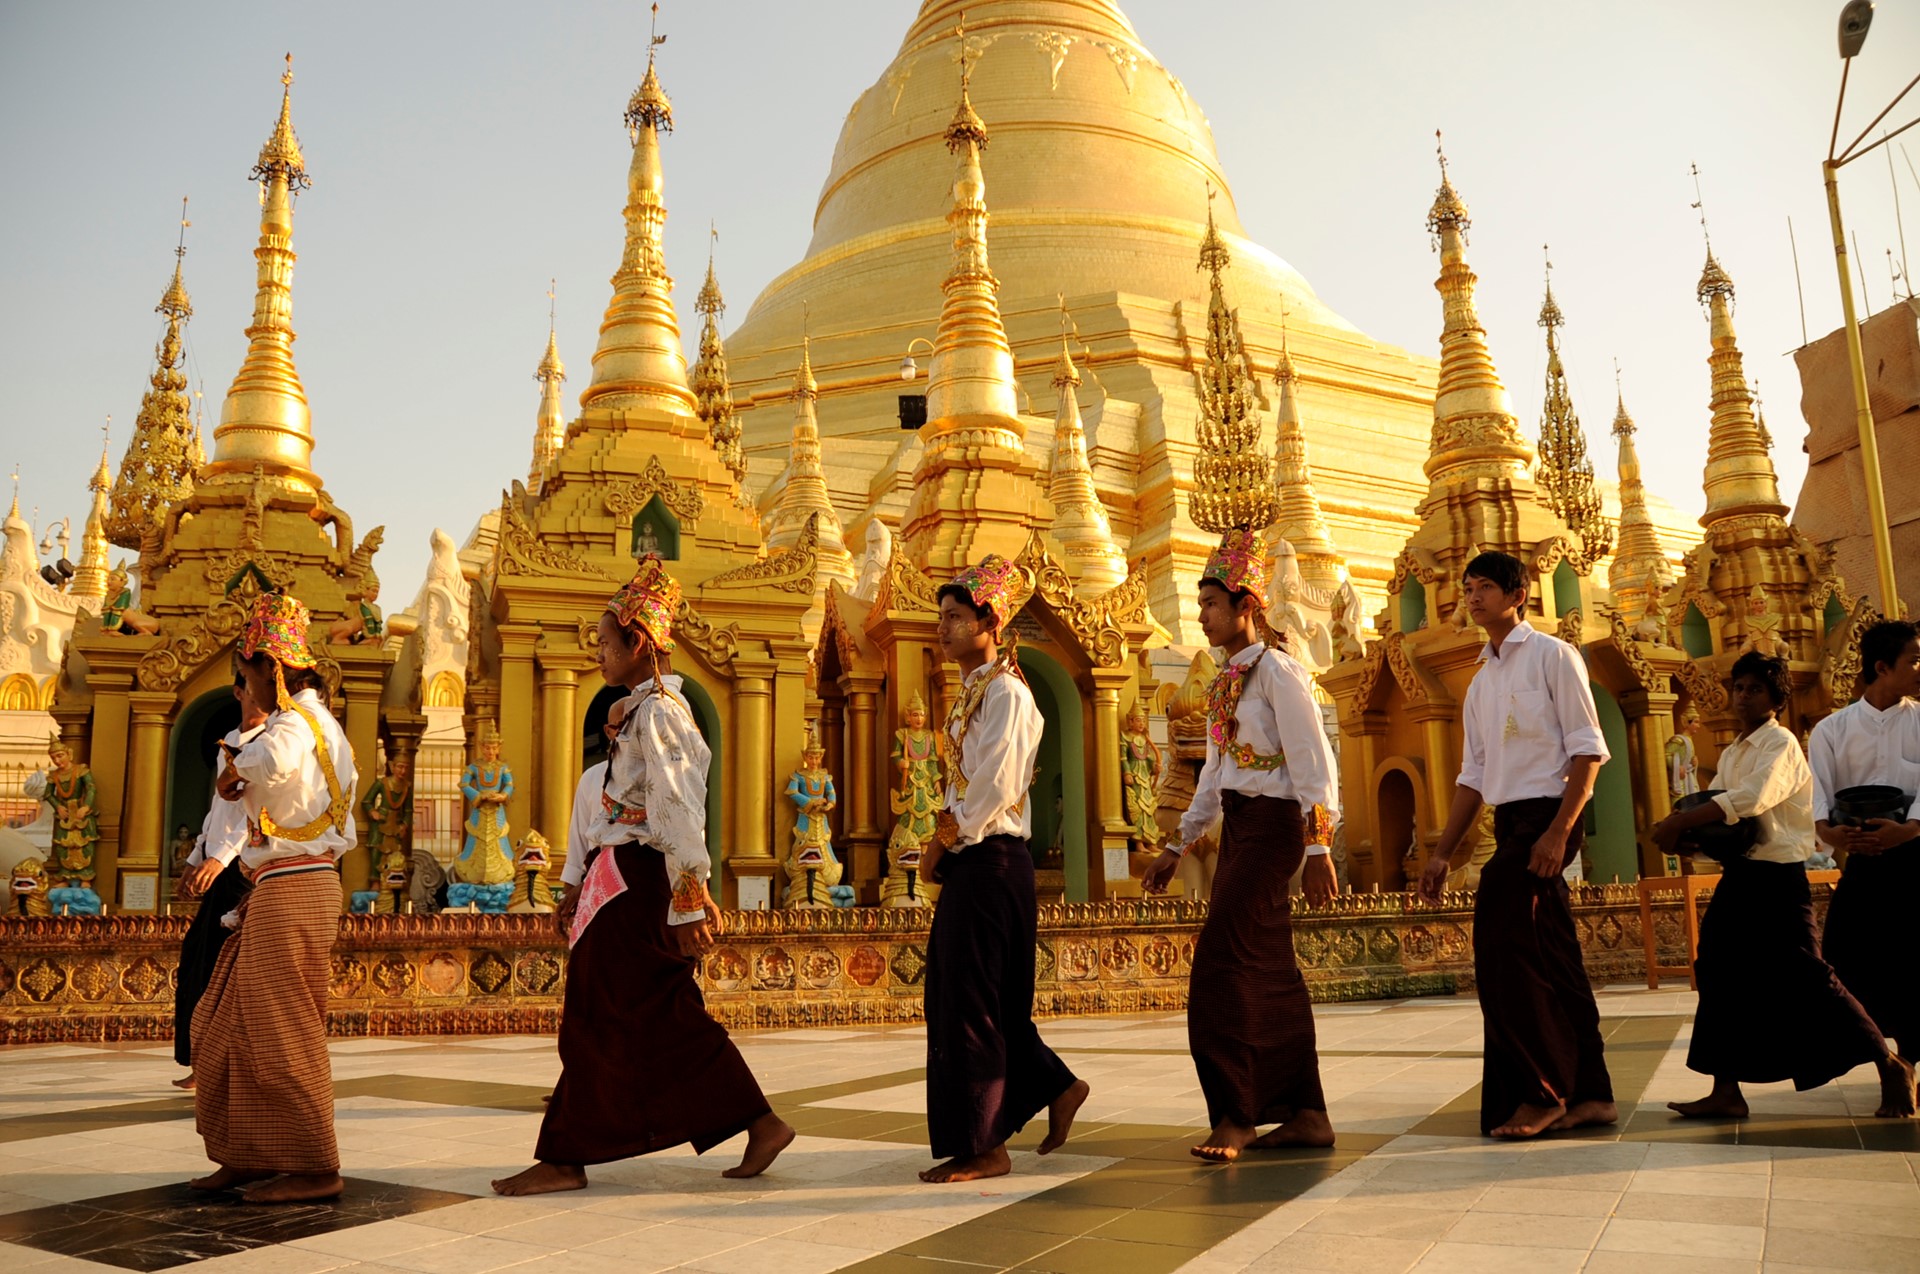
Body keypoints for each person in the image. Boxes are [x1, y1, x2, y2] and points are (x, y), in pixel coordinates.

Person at [494, 556, 793, 1196]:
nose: (597, 653)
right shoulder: (638, 711)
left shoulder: (660, 713)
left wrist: (689, 902)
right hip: (621, 880)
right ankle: (758, 1120)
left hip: (643, 883)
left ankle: (567, 1156)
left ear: (638, 644)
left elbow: (680, 812)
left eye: (606, 643)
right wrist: (574, 888)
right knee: (651, 1014)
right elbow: (612, 813)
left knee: (604, 1016)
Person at [1143, 528, 1340, 1160]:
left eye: (1210, 604)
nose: (1200, 615)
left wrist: (1318, 849)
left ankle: (1237, 1113)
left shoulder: (1280, 672)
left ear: (1246, 606)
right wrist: (1178, 845)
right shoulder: (1228, 680)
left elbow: (1315, 763)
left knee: (1223, 966)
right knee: (1269, 969)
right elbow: (1214, 772)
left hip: (1278, 827)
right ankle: (1306, 1112)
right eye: (1200, 605)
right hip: (1240, 825)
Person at [1652, 651, 1915, 1119]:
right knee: (1717, 968)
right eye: (1738, 688)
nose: (1742, 696)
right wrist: (1688, 837)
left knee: (1809, 974)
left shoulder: (1782, 745)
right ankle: (1726, 1088)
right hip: (1741, 875)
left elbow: (1751, 800)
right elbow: (1728, 823)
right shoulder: (1732, 753)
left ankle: (1888, 1062)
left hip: (1778, 879)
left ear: (1775, 698)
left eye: (1754, 689)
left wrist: (1683, 819)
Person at [1417, 551, 1615, 1139]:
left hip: (1551, 815)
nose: (1472, 597)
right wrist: (1442, 853)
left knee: (1504, 947)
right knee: (1552, 954)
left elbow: (1586, 750)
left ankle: (1544, 1090)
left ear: (1517, 594)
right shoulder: (1480, 683)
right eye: (1468, 587)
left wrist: (1559, 832)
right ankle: (1591, 1094)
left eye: (1484, 587)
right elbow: (1472, 778)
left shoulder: (1555, 657)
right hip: (1510, 823)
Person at [917, 556, 1088, 1184]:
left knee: (971, 1000)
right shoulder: (972, 693)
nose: (945, 628)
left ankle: (985, 1145)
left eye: (956, 616)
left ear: (990, 620)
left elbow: (992, 785)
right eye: (942, 617)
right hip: (974, 857)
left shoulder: (1009, 692)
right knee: (965, 993)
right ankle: (1055, 1086)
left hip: (990, 857)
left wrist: (942, 838)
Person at [190, 592, 358, 1203]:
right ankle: (248, 1153)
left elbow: (265, 763)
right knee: (223, 1021)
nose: (246, 687)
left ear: (274, 670)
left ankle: (315, 1165)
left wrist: (237, 767)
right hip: (278, 888)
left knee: (281, 1029)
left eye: (247, 674)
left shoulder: (295, 725)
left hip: (295, 887)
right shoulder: (317, 724)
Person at [1810, 619, 1920, 1061]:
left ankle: (1909, 1061)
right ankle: (1882, 1059)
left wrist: (1909, 829)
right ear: (1881, 667)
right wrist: (1830, 832)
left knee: (1915, 962)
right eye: (1913, 660)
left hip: (1915, 856)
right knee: (1848, 959)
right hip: (1862, 859)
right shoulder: (1831, 730)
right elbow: (1817, 793)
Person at [172, 673, 268, 1091]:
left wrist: (219, 858)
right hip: (218, 862)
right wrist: (197, 857)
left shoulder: (275, 742)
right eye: (257, 686)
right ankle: (201, 1058)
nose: (266, 696)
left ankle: (227, 1065)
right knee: (197, 958)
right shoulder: (231, 739)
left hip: (247, 865)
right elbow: (220, 808)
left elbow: (258, 812)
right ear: (239, 692)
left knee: (227, 967)